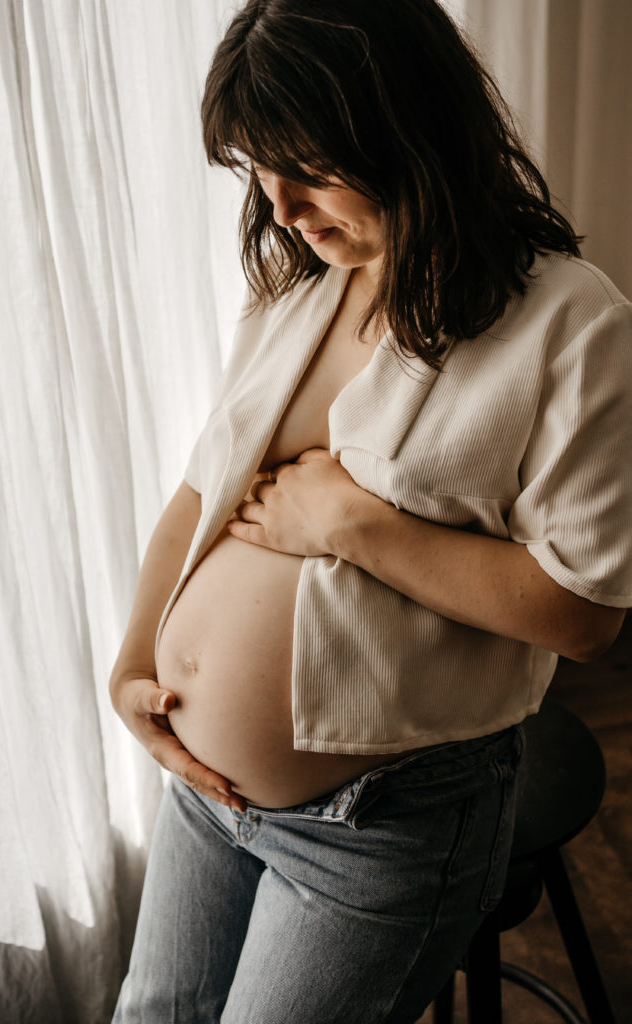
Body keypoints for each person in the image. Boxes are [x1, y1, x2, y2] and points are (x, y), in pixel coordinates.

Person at [110, 1, 632, 1020]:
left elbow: (582, 612)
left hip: (379, 825)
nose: (283, 204)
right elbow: (198, 491)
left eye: (305, 165)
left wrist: (353, 526)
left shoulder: (571, 325)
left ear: (407, 127)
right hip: (204, 793)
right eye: (258, 170)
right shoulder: (302, 285)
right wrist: (131, 666)